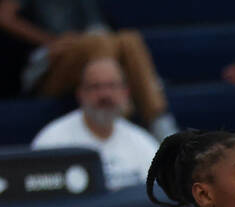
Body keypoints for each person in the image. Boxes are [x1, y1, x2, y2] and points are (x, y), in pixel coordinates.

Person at [0, 0, 176, 138]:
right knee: (98, 42)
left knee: (129, 39)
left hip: (91, 52)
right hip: (47, 65)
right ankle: (121, 115)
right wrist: (50, 41)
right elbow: (4, 16)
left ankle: (160, 122)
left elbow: (97, 24)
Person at [31, 56, 158, 191]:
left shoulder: (142, 142)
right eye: (95, 87)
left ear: (125, 93)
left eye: (112, 86)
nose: (104, 94)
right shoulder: (52, 141)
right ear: (80, 94)